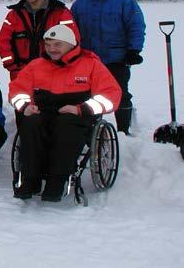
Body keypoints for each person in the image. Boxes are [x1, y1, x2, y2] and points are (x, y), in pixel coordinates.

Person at [8, 24, 121, 202]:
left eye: (57, 45)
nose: (52, 49)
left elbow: (110, 96)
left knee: (66, 124)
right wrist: (26, 106)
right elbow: (17, 91)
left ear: (71, 44)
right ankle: (31, 179)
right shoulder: (36, 66)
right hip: (43, 112)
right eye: (48, 45)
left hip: (76, 117)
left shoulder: (91, 65)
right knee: (29, 123)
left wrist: (80, 109)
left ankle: (57, 180)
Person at [70, 0, 145, 134]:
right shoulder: (80, 4)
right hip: (88, 59)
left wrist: (134, 50)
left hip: (116, 58)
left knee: (120, 93)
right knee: (87, 95)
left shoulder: (124, 2)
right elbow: (71, 31)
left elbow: (136, 26)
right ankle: (91, 129)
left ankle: (123, 131)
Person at [0, 0, 78, 81]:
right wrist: (12, 65)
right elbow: (3, 41)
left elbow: (72, 40)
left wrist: (63, 64)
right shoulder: (14, 15)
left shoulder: (60, 12)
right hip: (22, 73)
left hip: (54, 72)